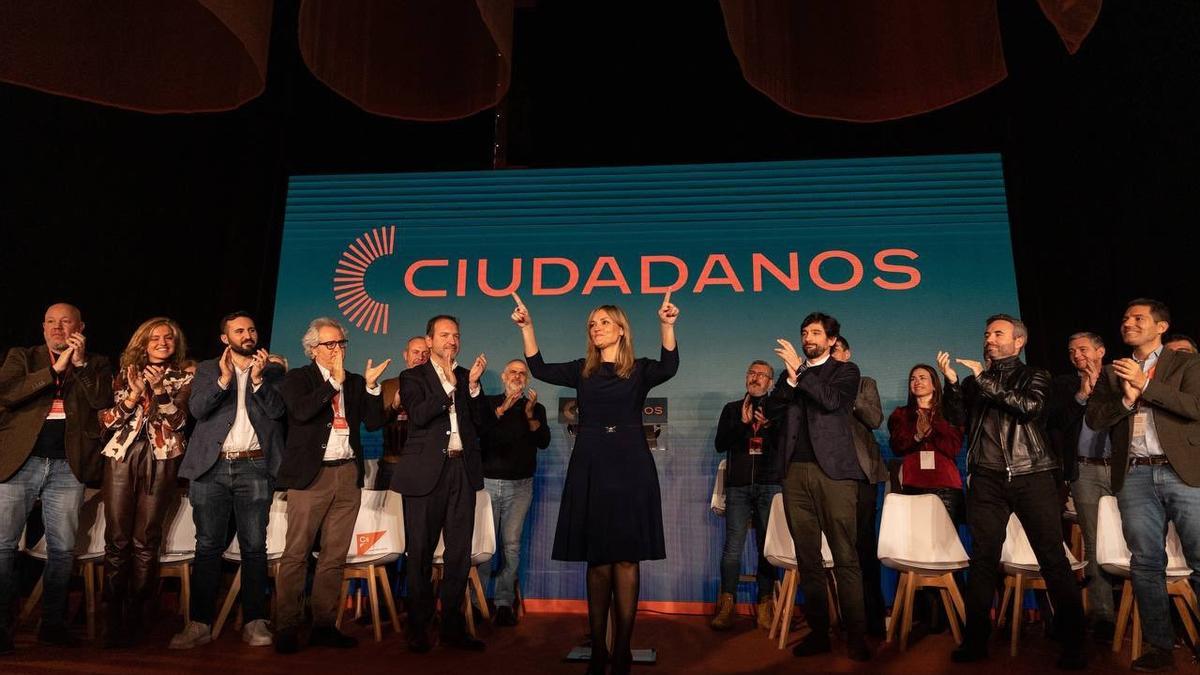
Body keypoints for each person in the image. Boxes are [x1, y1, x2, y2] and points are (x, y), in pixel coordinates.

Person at [511, 291, 679, 675]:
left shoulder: (639, 370)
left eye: (604, 321)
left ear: (621, 330)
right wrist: (528, 327)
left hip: (631, 467)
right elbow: (537, 367)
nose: (596, 327)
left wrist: (667, 325)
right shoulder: (581, 371)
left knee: (626, 558)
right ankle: (599, 651)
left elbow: (670, 364)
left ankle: (621, 651)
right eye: (592, 323)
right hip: (590, 466)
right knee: (598, 560)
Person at [942, 314, 1084, 669]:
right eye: (987, 332)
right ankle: (975, 641)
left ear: (1018, 342)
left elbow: (1030, 408)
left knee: (1052, 558)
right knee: (983, 559)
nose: (989, 338)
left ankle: (1074, 644)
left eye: (998, 333)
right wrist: (952, 386)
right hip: (987, 478)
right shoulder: (977, 381)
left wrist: (982, 379)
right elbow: (957, 419)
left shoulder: (1035, 375)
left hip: (1031, 474)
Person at [1087, 299, 1200, 672]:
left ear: (1161, 327)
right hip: (1134, 474)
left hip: (1181, 472)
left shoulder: (1186, 363)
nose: (1129, 323)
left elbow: (1195, 406)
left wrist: (1145, 385)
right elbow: (1096, 418)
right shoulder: (1111, 371)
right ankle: (1159, 646)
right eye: (1125, 318)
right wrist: (1125, 396)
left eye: (1138, 318)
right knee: (1146, 563)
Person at [170, 312, 287, 649]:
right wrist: (223, 381)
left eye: (251, 329)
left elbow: (278, 412)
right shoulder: (208, 369)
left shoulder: (274, 369)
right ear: (225, 338)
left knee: (254, 546)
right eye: (239, 330)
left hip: (255, 466)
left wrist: (259, 381)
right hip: (212, 468)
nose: (247, 334)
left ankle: (254, 621)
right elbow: (198, 410)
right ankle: (199, 623)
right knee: (207, 545)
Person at [0, 303, 111, 654]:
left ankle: (53, 624)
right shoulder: (23, 356)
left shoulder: (95, 363)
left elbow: (102, 400)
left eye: (65, 322)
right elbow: (8, 393)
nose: (57, 328)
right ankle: (3, 627)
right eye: (50, 322)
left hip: (68, 466)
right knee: (3, 547)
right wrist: (53, 371)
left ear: (81, 326)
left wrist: (76, 366)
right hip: (20, 461)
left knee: (62, 550)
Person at [274, 317, 390, 654]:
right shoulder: (298, 378)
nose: (338, 349)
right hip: (312, 476)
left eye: (341, 343)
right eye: (330, 344)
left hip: (346, 474)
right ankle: (288, 625)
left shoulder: (353, 382)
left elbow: (374, 421)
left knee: (334, 556)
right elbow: (301, 412)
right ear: (313, 350)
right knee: (296, 553)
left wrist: (370, 387)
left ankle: (324, 624)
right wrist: (332, 384)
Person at [765, 312, 870, 662]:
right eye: (804, 331)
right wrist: (791, 380)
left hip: (835, 475)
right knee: (807, 558)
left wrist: (802, 371)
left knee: (845, 557)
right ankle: (820, 633)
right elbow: (773, 409)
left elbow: (831, 402)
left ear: (830, 341)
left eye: (815, 332)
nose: (808, 337)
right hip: (795, 473)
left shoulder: (846, 371)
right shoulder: (791, 375)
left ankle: (856, 635)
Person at [390, 315, 491, 653]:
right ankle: (418, 628)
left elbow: (483, 424)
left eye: (456, 335)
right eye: (444, 335)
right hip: (425, 474)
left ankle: (452, 627)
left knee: (459, 554)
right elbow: (418, 415)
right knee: (419, 552)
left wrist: (473, 389)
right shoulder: (412, 376)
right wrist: (448, 387)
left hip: (462, 471)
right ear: (429, 340)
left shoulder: (467, 378)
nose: (451, 340)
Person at [97, 317, 195, 648]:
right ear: (143, 341)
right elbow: (107, 421)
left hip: (162, 457)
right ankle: (111, 615)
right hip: (121, 456)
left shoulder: (185, 376)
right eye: (155, 337)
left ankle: (137, 614)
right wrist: (132, 396)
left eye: (169, 337)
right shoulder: (125, 373)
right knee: (118, 539)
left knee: (146, 539)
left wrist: (161, 393)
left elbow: (180, 421)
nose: (162, 342)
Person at [1045, 331, 1116, 643]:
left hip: (1126, 470)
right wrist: (1081, 396)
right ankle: (1103, 616)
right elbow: (1054, 421)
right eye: (1071, 350)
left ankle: (1143, 610)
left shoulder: (1120, 376)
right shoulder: (1063, 385)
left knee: (1138, 541)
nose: (1077, 355)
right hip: (1085, 470)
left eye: (1083, 349)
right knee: (1095, 542)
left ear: (1101, 350)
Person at [479, 359, 550, 627]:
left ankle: (504, 603)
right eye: (513, 372)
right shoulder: (488, 404)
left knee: (511, 545)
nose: (518, 377)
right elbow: (482, 435)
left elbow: (542, 442)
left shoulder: (535, 408)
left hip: (520, 487)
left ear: (527, 380)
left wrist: (530, 415)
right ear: (505, 376)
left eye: (523, 373)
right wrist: (503, 408)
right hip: (487, 484)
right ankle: (477, 602)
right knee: (485, 546)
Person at [711, 359, 780, 631]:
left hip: (770, 484)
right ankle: (727, 604)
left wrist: (769, 428)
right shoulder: (731, 409)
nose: (756, 377)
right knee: (732, 547)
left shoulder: (778, 410)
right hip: (738, 486)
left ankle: (765, 604)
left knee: (768, 547)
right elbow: (720, 445)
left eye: (762, 374)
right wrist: (741, 425)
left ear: (771, 382)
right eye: (752, 372)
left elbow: (787, 447)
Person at [831, 335, 889, 637]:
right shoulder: (816, 385)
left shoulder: (864, 383)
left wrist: (846, 392)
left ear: (847, 353)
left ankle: (874, 619)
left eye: (836, 350)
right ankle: (849, 619)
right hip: (830, 477)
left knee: (864, 547)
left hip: (861, 476)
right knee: (840, 550)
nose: (831, 355)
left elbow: (875, 418)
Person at [887, 364, 964, 519]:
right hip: (913, 485)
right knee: (916, 539)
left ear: (934, 385)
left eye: (922, 378)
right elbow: (896, 447)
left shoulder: (948, 413)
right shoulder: (901, 414)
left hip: (945, 486)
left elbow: (953, 448)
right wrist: (917, 437)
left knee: (945, 541)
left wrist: (930, 432)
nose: (917, 382)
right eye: (913, 379)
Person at [375, 336, 430, 490]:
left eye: (425, 353)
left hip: (425, 464)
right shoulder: (388, 385)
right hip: (392, 464)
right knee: (386, 513)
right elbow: (376, 422)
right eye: (416, 352)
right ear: (405, 355)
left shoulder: (437, 387)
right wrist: (394, 405)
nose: (421, 357)